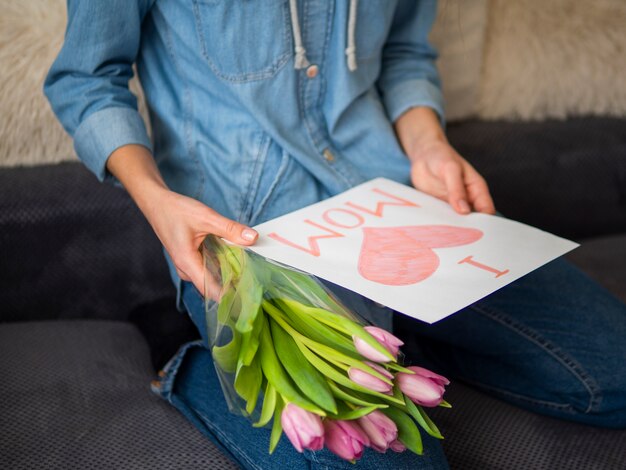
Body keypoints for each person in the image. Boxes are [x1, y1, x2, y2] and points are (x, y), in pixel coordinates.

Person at [45, 1, 626, 468]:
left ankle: (407, 336)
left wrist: (429, 146)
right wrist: (157, 199)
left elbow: (403, 52)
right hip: (250, 237)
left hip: (397, 204)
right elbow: (87, 80)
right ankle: (199, 371)